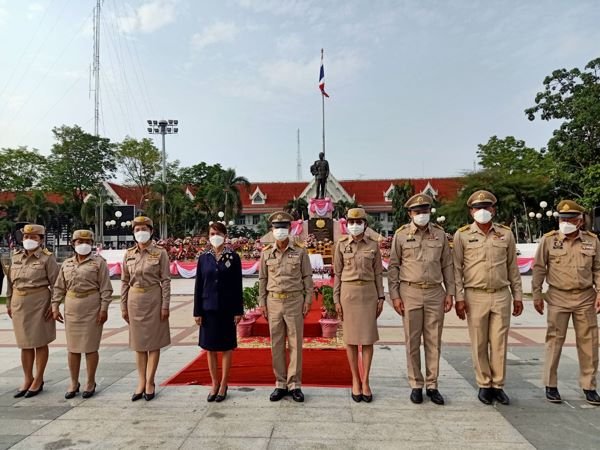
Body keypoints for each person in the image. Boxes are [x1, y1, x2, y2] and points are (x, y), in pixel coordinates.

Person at [453, 190, 523, 405]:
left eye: (486, 207)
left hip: (501, 294)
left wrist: (518, 295)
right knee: (479, 342)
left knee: (499, 342)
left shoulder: (506, 234)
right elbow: (457, 269)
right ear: (471, 211)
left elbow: (512, 267)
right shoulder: (462, 235)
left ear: (493, 209)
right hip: (475, 295)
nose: (482, 211)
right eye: (478, 208)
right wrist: (459, 297)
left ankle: (498, 385)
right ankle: (484, 384)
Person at [532, 200, 600, 405]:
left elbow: (598, 269)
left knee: (589, 342)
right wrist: (536, 294)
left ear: (580, 221)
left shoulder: (592, 241)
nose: (566, 223)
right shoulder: (549, 240)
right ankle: (550, 385)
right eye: (562, 219)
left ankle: (589, 386)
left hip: (585, 297)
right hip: (558, 296)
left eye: (570, 219)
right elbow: (539, 268)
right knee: (554, 341)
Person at [388, 194, 454, 405]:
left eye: (425, 211)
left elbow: (447, 264)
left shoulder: (440, 234)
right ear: (410, 214)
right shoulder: (401, 235)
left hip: (435, 292)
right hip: (410, 292)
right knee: (412, 340)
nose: (422, 215)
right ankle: (416, 384)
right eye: (417, 212)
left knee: (434, 341)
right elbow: (393, 266)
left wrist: (450, 292)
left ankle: (432, 385)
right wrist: (395, 295)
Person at [259, 211, 313, 402]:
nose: (280, 230)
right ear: (272, 229)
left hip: (294, 301)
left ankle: (295, 384)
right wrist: (262, 302)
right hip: (273, 301)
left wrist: (308, 300)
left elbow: (307, 277)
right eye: (277, 227)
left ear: (290, 229)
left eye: (283, 227)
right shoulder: (266, 252)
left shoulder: (300, 251)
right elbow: (262, 279)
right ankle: (280, 383)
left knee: (295, 343)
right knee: (277, 344)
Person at [52, 230, 113, 399]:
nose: (83, 244)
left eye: (87, 241)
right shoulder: (66, 263)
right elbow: (59, 287)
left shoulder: (99, 263)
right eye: (79, 241)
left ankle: (90, 382)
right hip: (72, 308)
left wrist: (104, 309)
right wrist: (55, 306)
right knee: (73, 348)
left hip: (91, 307)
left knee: (90, 347)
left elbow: (106, 288)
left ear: (92, 244)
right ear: (73, 244)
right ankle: (74, 382)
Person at [333, 208, 384, 403]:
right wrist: (336, 299)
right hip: (349, 294)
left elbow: (378, 273)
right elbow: (337, 274)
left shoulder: (373, 245)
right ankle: (355, 378)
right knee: (351, 340)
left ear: (365, 224)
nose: (354, 225)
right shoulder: (341, 245)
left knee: (368, 339)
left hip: (369, 294)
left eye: (358, 222)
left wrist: (381, 297)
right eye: (351, 222)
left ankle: (366, 380)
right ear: (347, 224)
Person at [5, 224, 59, 398]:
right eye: (26, 237)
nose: (29, 240)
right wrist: (9, 302)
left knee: (40, 342)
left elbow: (57, 284)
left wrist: (54, 305)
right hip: (19, 303)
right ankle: (28, 378)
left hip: (39, 303)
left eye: (33, 237)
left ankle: (39, 379)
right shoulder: (16, 257)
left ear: (41, 240)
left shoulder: (47, 258)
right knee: (25, 344)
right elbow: (10, 282)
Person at [121, 216, 171, 401]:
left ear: (151, 231)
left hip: (154, 299)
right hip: (135, 300)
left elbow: (166, 280)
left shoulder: (160, 253)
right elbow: (124, 281)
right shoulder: (129, 254)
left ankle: (150, 381)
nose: (140, 232)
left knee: (154, 343)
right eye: (137, 230)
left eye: (144, 229)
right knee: (139, 344)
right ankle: (141, 381)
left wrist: (165, 305)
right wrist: (123, 306)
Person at [194, 222, 243, 403]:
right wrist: (197, 311)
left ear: (225, 236)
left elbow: (237, 285)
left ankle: (223, 384)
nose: (215, 236)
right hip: (208, 309)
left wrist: (238, 310)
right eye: (212, 233)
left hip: (227, 309)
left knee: (226, 347)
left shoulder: (233, 257)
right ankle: (214, 383)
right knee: (210, 348)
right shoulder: (203, 258)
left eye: (218, 233)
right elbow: (199, 285)